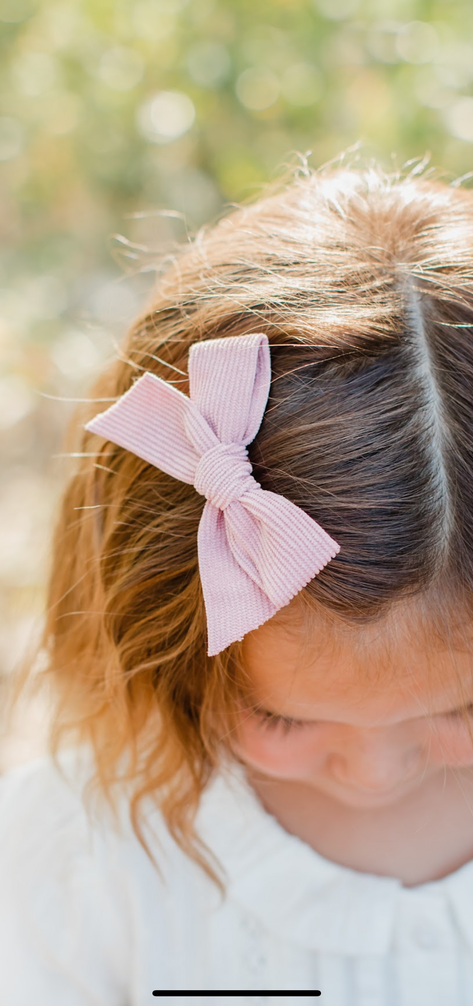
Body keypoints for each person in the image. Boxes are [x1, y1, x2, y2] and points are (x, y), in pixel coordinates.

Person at [2, 157, 473, 1005]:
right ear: (163, 648)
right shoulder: (77, 863)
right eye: (282, 716)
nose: (373, 772)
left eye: (463, 708)